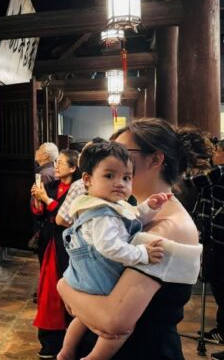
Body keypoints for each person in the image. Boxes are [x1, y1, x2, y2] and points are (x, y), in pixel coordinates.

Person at [57, 118, 208, 360]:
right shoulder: (128, 209)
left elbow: (113, 320)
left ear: (155, 160)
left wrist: (63, 287)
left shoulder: (169, 226)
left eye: (122, 152)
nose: (112, 158)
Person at [58, 141, 171, 360]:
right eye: (109, 176)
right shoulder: (102, 215)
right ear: (88, 180)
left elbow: (132, 218)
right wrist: (142, 254)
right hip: (100, 278)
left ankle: (66, 351)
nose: (119, 183)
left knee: (81, 319)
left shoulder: (106, 205)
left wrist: (149, 208)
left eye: (126, 178)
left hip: (81, 277)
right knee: (122, 329)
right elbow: (109, 247)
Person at [31, 149, 81, 358]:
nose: (56, 166)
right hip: (50, 240)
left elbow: (65, 216)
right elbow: (39, 213)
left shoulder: (79, 189)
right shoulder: (51, 186)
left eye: (60, 163)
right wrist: (37, 199)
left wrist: (46, 199)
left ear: (73, 167)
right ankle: (50, 342)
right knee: (49, 290)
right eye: (56, 162)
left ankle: (71, 341)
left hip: (68, 244)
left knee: (68, 289)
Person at [183, 138, 224, 358]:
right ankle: (221, 330)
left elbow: (191, 181)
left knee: (221, 288)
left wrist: (194, 162)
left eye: (217, 151)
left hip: (219, 240)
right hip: (216, 238)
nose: (214, 155)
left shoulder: (220, 171)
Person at [56, 137, 107, 228]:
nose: (79, 155)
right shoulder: (110, 182)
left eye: (83, 152)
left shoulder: (80, 185)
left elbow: (61, 219)